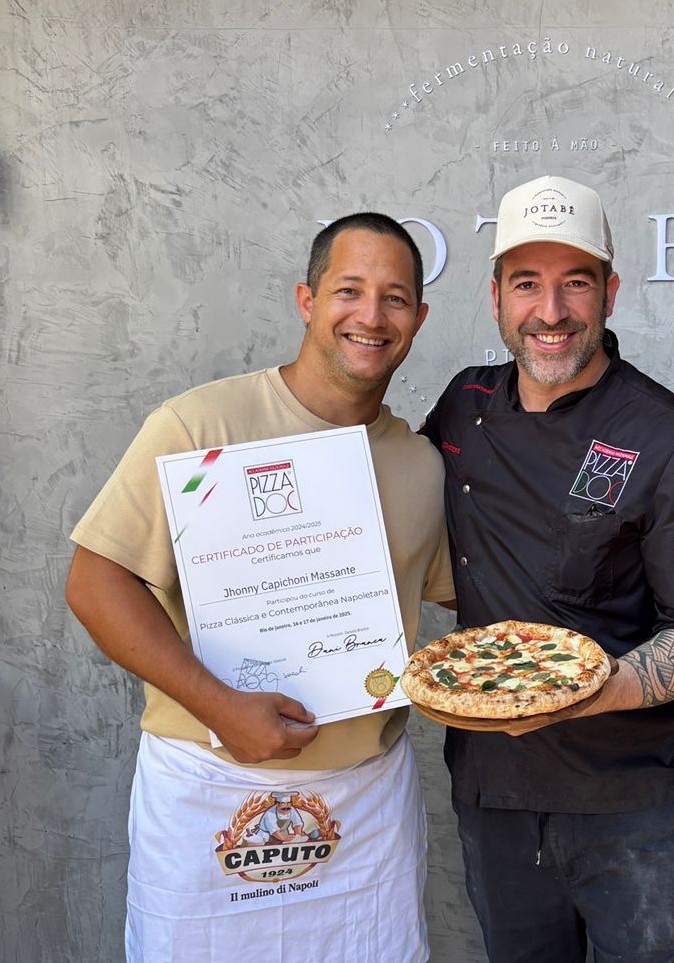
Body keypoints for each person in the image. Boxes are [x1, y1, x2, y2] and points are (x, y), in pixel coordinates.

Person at [66, 213, 455, 963]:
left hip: (364, 798)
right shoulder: (199, 423)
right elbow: (94, 581)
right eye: (349, 290)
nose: (371, 316)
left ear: (419, 318)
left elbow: (463, 597)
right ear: (307, 300)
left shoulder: (420, 465)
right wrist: (220, 705)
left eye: (395, 298)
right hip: (213, 786)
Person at [422, 175, 674, 963]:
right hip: (492, 793)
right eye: (528, 283)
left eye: (576, 283)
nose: (552, 312)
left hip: (632, 805)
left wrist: (577, 694)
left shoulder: (660, 432)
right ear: (497, 295)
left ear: (611, 290)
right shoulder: (463, 407)